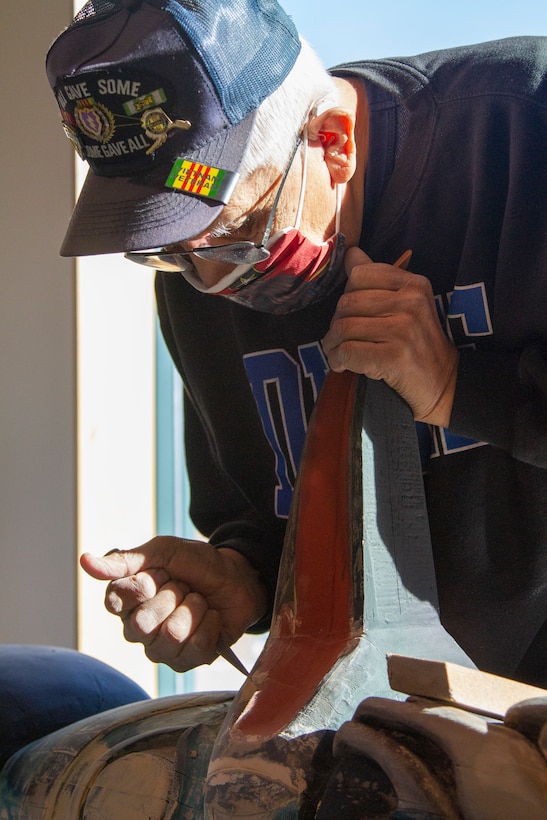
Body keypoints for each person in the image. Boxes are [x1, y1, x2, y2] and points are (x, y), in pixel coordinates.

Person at [46, 0, 547, 687]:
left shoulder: (527, 122)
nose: (213, 281)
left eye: (239, 235)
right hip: (388, 717)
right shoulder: (191, 263)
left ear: (332, 143)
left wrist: (461, 389)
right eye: (171, 249)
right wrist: (242, 578)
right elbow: (257, 509)